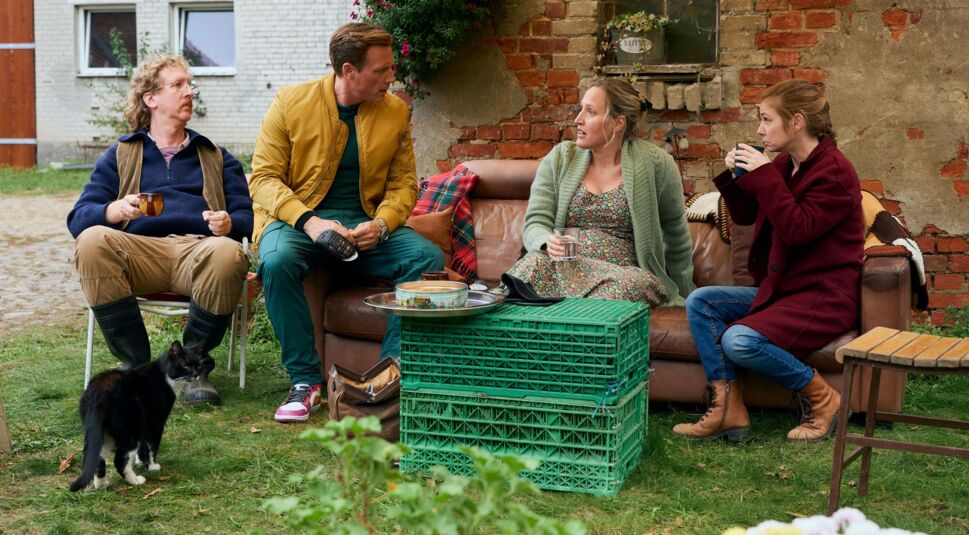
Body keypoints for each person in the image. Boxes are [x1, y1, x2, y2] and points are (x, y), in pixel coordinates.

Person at [249, 23, 443, 423]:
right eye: (382, 70)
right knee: (276, 260)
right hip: (298, 221)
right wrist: (311, 223)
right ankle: (305, 382)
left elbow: (404, 184)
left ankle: (392, 377)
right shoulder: (290, 102)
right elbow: (263, 178)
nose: (393, 77)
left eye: (392, 67)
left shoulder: (395, 111)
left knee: (426, 256)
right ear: (348, 70)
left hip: (364, 226)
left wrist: (383, 225)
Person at [672, 79, 863, 443]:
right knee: (702, 301)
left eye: (766, 120)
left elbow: (797, 229)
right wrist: (735, 177)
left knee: (739, 341)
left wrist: (762, 175)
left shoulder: (835, 173)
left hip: (823, 298)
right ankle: (727, 408)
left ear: (797, 122)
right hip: (783, 290)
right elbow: (745, 215)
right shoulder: (786, 165)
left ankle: (823, 398)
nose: (759, 129)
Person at [67, 54, 253, 405]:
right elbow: (78, 219)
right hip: (138, 252)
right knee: (92, 240)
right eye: (178, 84)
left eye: (190, 84)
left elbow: (246, 218)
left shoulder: (216, 156)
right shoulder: (121, 154)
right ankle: (137, 366)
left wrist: (229, 222)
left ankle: (193, 366)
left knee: (228, 250)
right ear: (150, 98)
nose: (189, 91)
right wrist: (115, 209)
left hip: (199, 252)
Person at [508, 78, 694, 307]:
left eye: (590, 112)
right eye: (581, 109)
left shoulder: (658, 163)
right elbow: (536, 221)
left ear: (617, 123)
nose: (578, 119)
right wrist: (547, 241)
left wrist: (685, 296)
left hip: (620, 275)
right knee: (529, 268)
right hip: (564, 267)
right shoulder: (560, 158)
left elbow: (676, 235)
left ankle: (570, 323)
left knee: (625, 287)